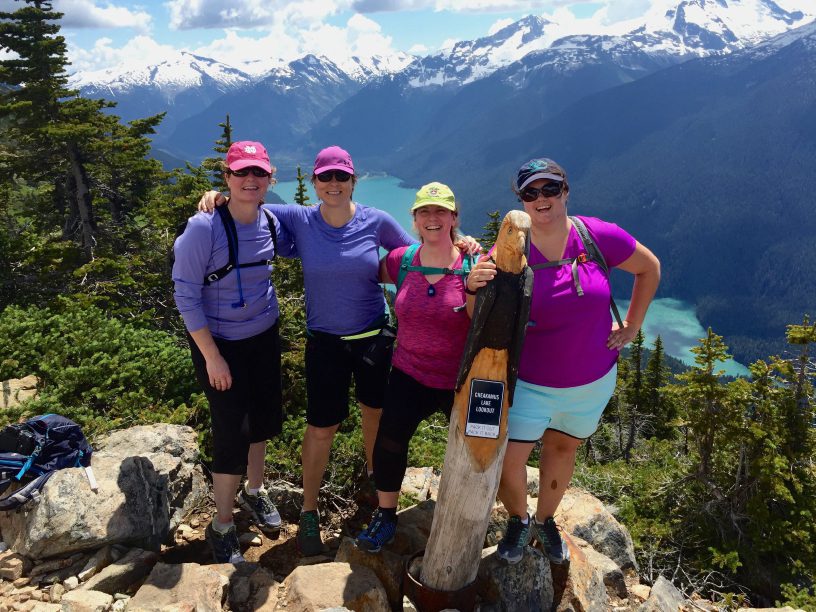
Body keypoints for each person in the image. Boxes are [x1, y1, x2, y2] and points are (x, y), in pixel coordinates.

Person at [198, 145, 415, 556]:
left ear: (354, 180)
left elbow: (418, 256)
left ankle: (373, 480)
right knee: (320, 427)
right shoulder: (299, 217)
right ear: (314, 183)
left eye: (341, 177)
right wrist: (219, 198)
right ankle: (310, 511)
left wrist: (464, 245)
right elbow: (250, 202)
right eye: (325, 177)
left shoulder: (377, 221)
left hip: (372, 337)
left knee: (376, 414)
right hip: (325, 344)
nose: (333, 184)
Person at [466, 158, 660, 565]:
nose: (542, 199)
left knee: (562, 449)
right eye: (530, 193)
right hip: (530, 383)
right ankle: (519, 520)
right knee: (508, 462)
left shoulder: (595, 236)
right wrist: (472, 287)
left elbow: (649, 268)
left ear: (565, 192)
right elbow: (475, 315)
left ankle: (546, 520)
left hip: (591, 383)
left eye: (550, 189)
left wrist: (632, 325)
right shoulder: (510, 249)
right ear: (521, 200)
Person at [173, 141, 296, 564]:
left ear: (269, 180)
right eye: (241, 172)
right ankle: (222, 524)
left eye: (258, 173)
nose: (250, 180)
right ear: (226, 177)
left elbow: (328, 227)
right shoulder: (204, 227)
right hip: (219, 344)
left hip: (263, 334)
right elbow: (185, 295)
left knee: (262, 419)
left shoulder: (271, 221)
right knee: (232, 430)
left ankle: (254, 492)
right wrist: (211, 357)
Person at [355, 182, 472, 553]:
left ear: (454, 218)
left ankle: (465, 519)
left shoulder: (473, 264)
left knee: (470, 451)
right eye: (425, 212)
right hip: (408, 372)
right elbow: (365, 277)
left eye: (441, 212)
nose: (432, 219)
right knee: (389, 443)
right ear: (415, 219)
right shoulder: (402, 261)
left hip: (460, 378)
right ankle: (387, 515)